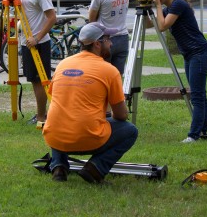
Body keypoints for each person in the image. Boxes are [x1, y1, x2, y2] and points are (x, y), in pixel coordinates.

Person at [42, 23, 138, 183]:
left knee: (60, 118)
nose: (111, 43)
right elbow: (121, 115)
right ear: (97, 44)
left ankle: (58, 166)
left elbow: (60, 100)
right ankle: (95, 168)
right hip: (87, 139)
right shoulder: (109, 70)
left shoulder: (62, 64)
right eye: (108, 39)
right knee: (130, 131)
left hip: (55, 137)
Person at [151, 0, 207, 143]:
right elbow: (153, 24)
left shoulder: (178, 4)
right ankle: (203, 130)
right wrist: (143, 9)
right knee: (199, 94)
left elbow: (163, 26)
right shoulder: (169, 8)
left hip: (199, 53)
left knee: (197, 96)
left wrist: (157, 6)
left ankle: (194, 135)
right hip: (191, 54)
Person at [13, 0, 57, 124]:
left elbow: (52, 18)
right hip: (27, 42)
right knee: (33, 80)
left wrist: (37, 38)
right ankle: (41, 113)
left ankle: (42, 116)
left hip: (38, 43)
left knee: (40, 81)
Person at [88, 0, 130, 75]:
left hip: (106, 40)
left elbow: (92, 20)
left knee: (103, 79)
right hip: (123, 37)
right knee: (117, 79)